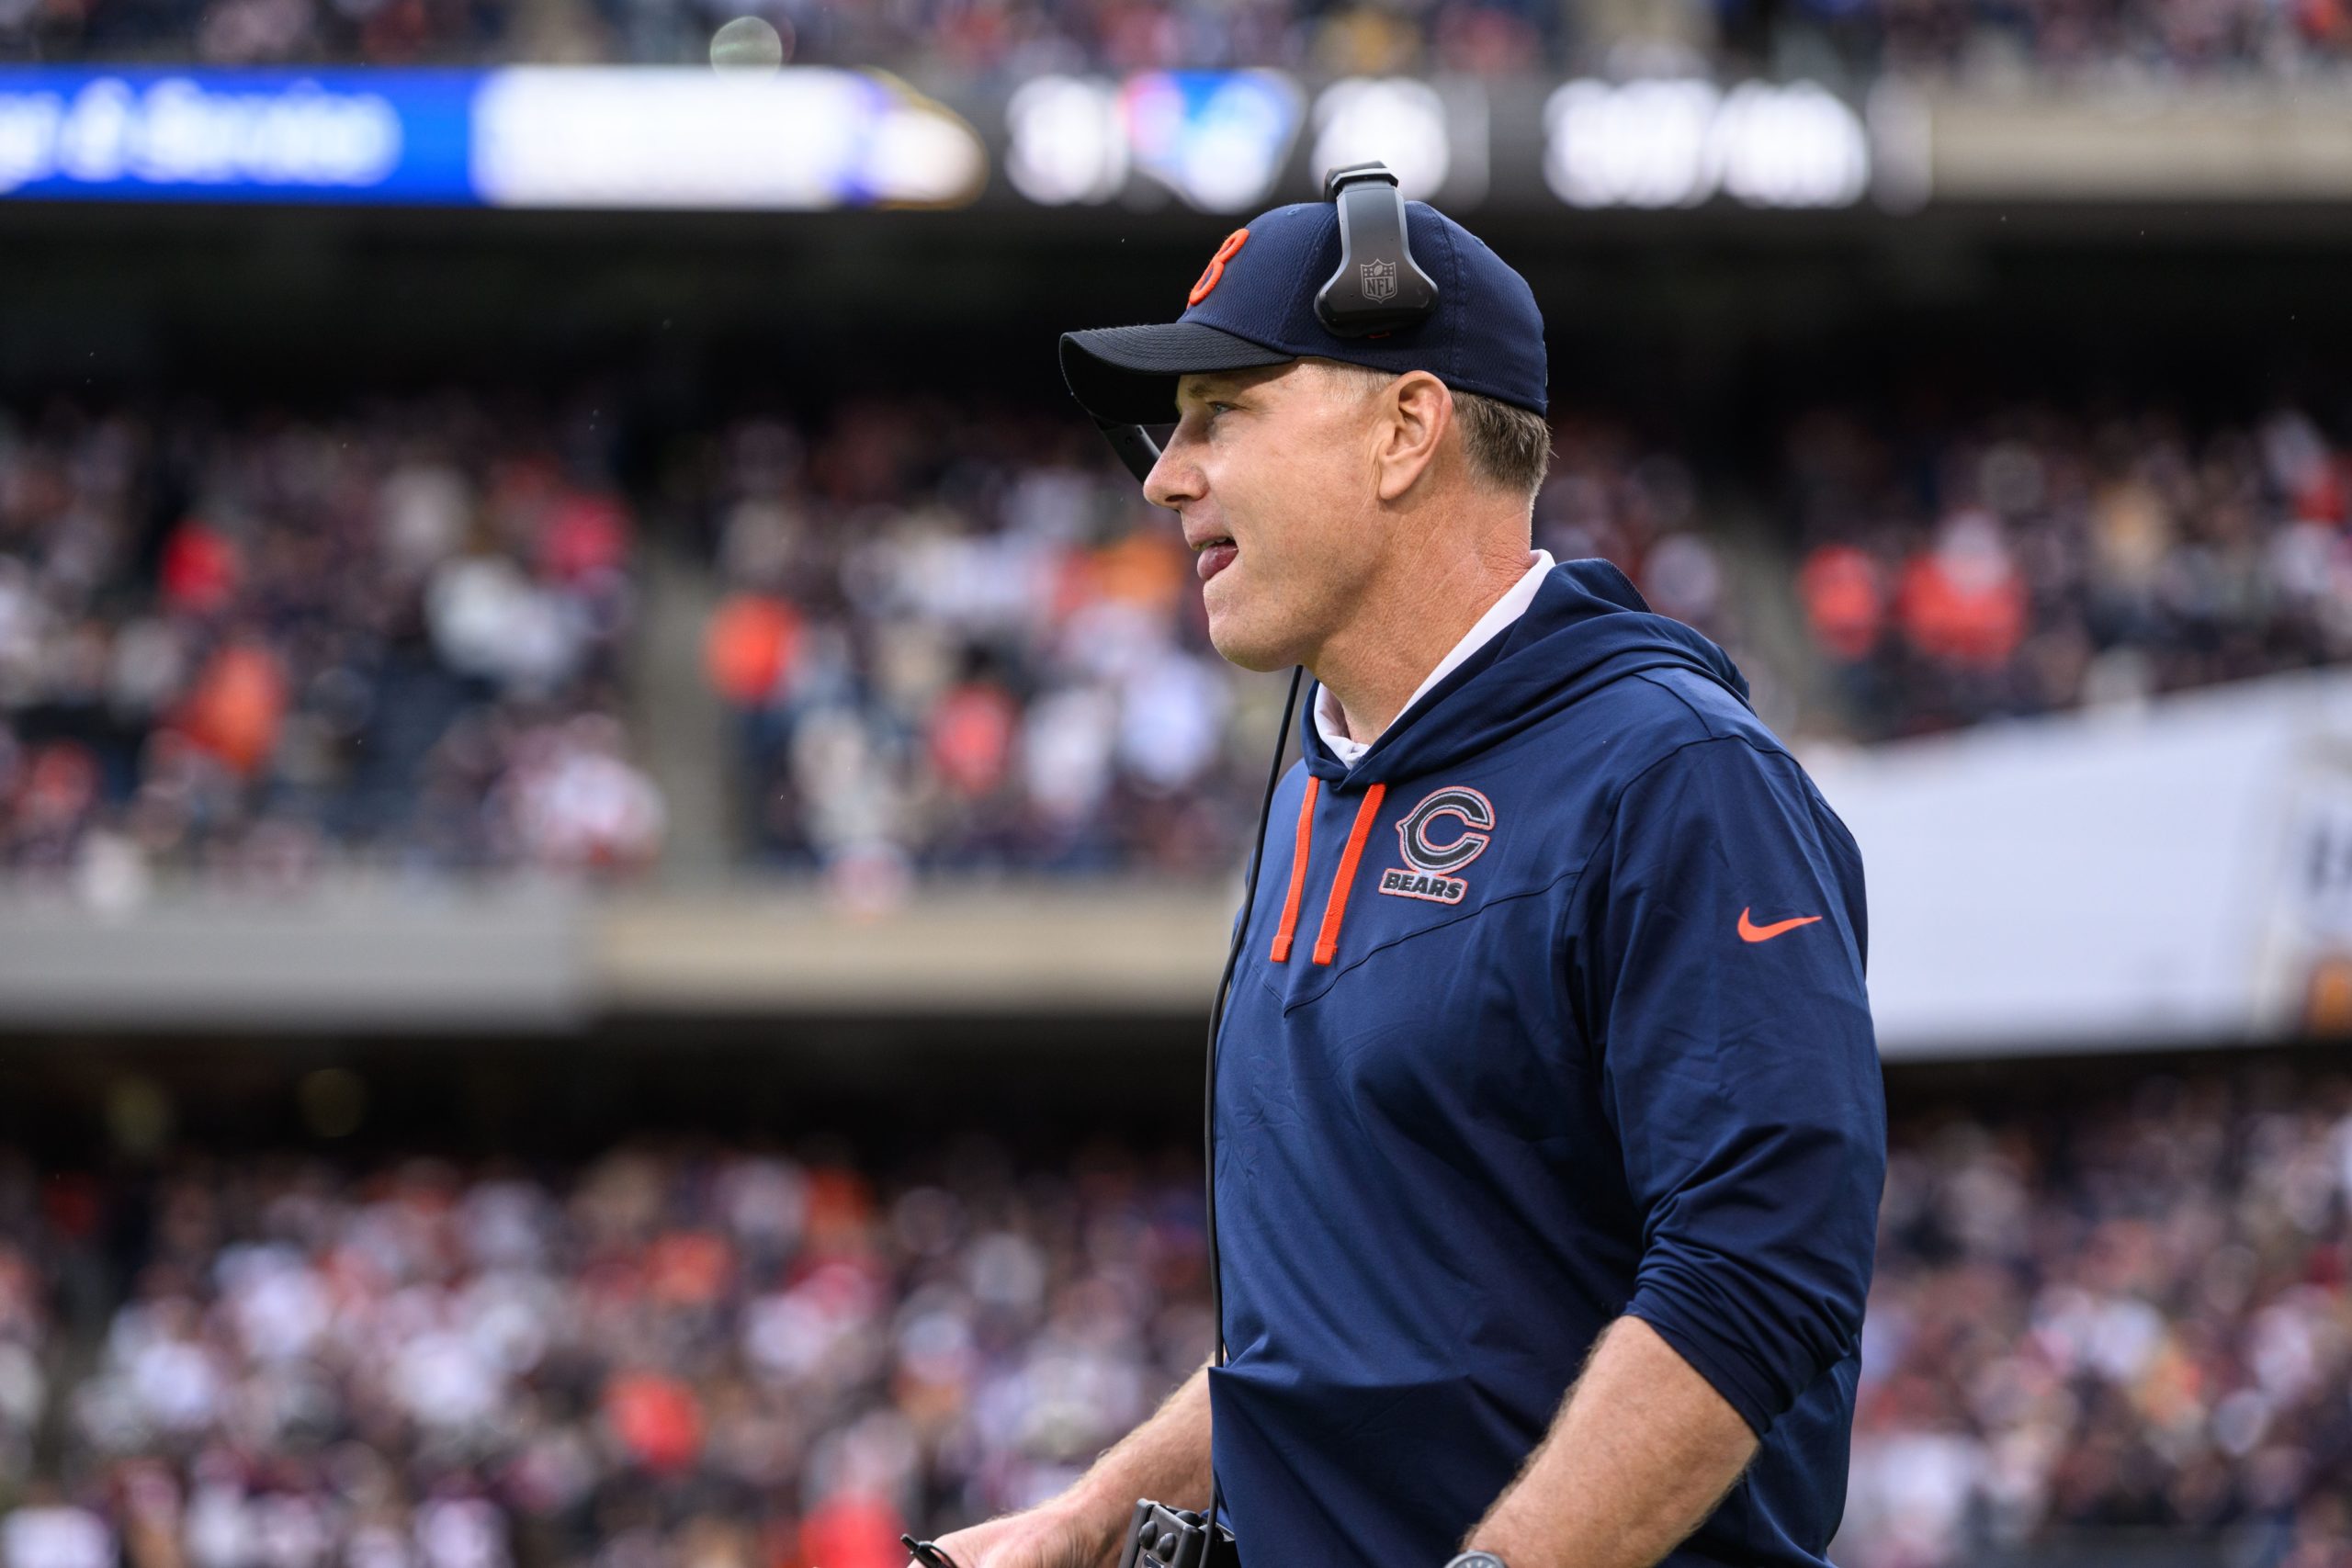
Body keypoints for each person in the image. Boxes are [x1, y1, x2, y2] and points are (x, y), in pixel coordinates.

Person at [933, 192, 1885, 1568]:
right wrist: (1085, 1518)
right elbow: (1343, 1338)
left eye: (1220, 413)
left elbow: (1762, 1269)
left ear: (1405, 429)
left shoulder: (1675, 774)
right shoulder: (1327, 778)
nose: (1166, 475)